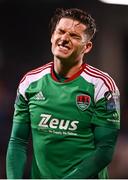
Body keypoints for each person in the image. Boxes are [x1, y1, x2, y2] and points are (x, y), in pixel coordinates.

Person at [6, 8, 120, 179]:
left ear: (87, 47)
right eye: (60, 31)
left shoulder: (103, 86)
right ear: (52, 36)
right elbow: (18, 142)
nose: (65, 38)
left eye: (74, 36)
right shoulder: (29, 82)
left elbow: (105, 151)